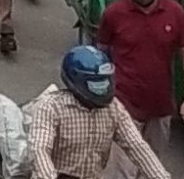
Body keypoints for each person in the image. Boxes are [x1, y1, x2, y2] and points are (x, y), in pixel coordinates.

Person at [95, 0, 184, 154]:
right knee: (120, 171)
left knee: (152, 168)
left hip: (160, 108)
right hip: (123, 107)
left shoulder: (175, 13)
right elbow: (101, 53)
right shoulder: (114, 13)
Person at [21, 46, 170, 179]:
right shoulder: (51, 107)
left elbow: (136, 146)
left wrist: (161, 176)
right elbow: (39, 149)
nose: (102, 89)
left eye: (104, 82)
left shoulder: (113, 108)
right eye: (96, 84)